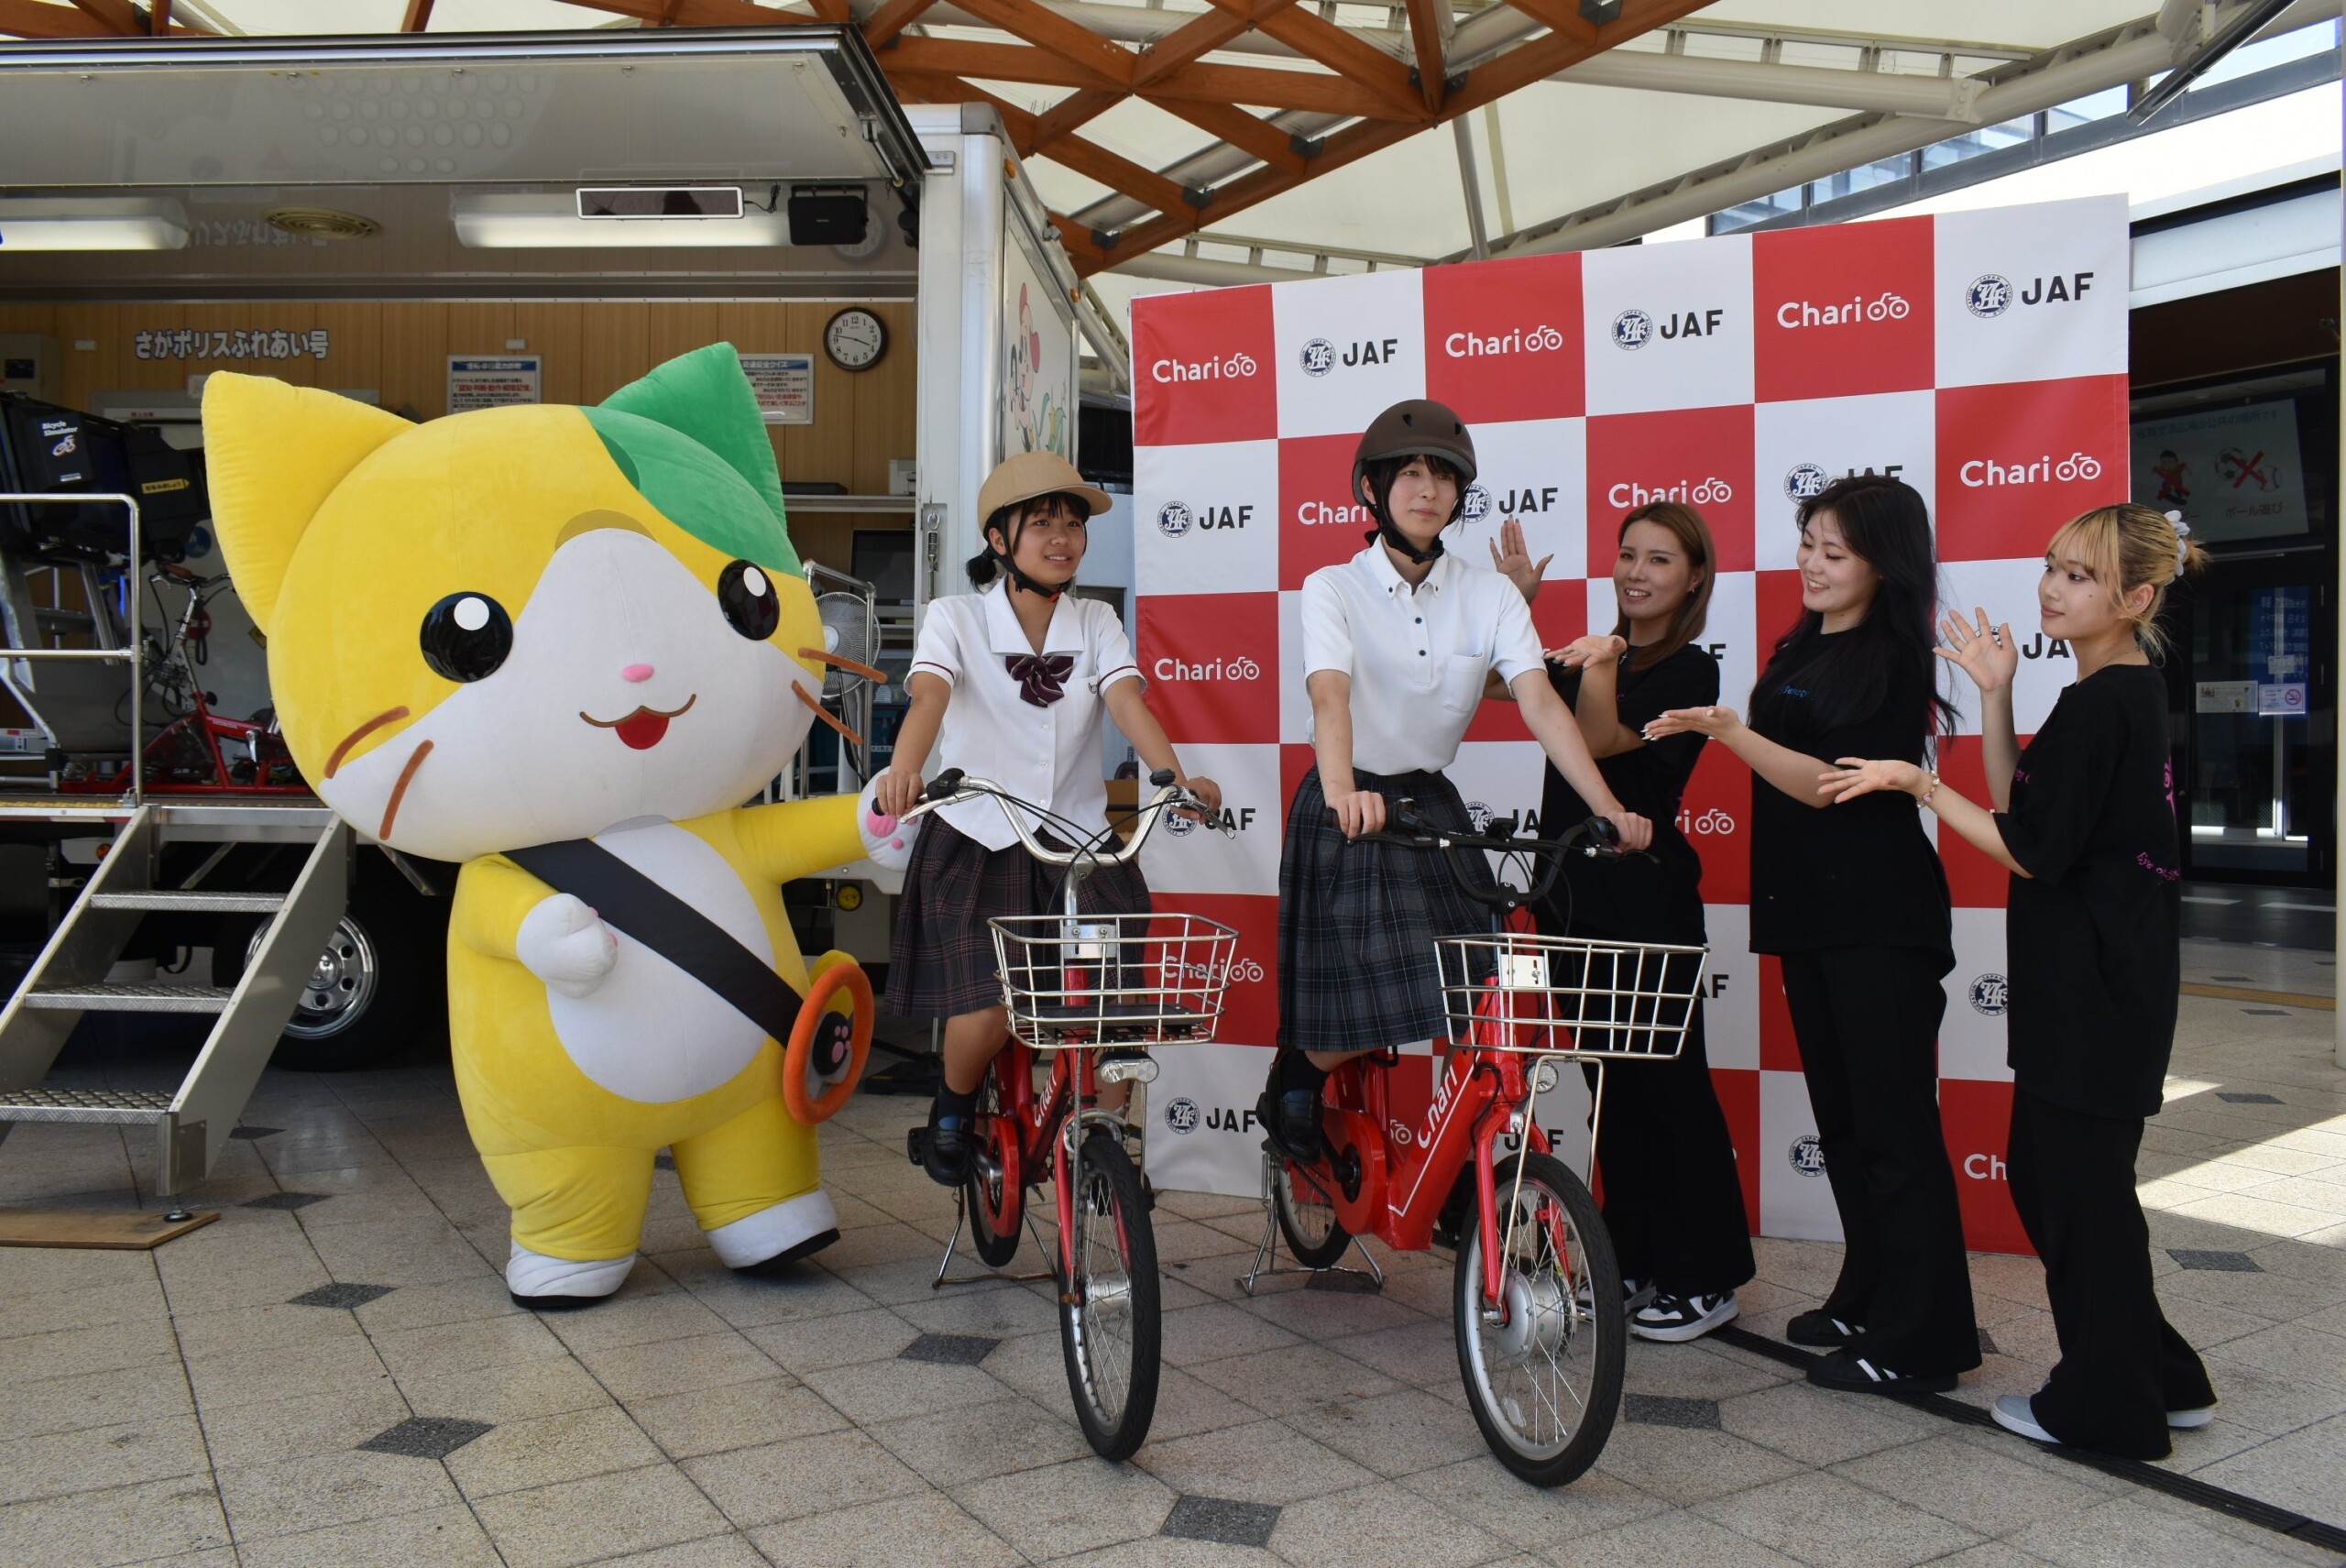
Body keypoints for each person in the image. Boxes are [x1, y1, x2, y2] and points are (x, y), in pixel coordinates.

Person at [1820, 503, 2217, 1456]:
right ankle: (2161, 1376)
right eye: (2051, 565)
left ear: (2135, 597)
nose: (2050, 585)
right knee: (2061, 1186)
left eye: (2079, 575)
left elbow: (2027, 852)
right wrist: (1995, 697)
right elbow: (2021, 810)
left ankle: (2109, 1407)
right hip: (2090, 986)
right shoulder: (2109, 692)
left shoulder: (2101, 701)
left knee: (2074, 1194)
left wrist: (1916, 783)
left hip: (2094, 993)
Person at [1646, 473, 1979, 1395]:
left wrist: (1726, 731)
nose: (1812, 563)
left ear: (1884, 562)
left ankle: (1927, 1336)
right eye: (1809, 543)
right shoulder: (1805, 640)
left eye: (1834, 551)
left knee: (1893, 1128)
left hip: (1878, 919)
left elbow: (1830, 783)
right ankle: (1868, 1291)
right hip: (1813, 916)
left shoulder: (1894, 657)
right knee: (1844, 1124)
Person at [1262, 399, 1650, 1156]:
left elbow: (1538, 698)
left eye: (1444, 476)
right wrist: (1341, 790)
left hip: (1427, 797)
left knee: (1479, 988)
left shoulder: (1491, 593)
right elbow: (1329, 695)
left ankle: (1459, 1169)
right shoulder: (1332, 586)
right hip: (1351, 796)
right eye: (1409, 473)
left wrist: (1609, 806)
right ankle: (1298, 1076)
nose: (1427, 490)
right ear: (1371, 490)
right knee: (1363, 1004)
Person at [875, 452, 1219, 1186]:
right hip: (979, 836)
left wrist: (1175, 779)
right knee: (994, 1005)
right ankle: (952, 1103)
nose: (1062, 537)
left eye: (1073, 523)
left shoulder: (1094, 620)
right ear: (1000, 539)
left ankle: (1104, 1145)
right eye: (1042, 524)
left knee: (1113, 1006)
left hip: (1077, 843)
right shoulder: (955, 617)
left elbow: (1128, 702)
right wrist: (907, 766)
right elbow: (930, 698)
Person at [1532, 502, 1755, 1343]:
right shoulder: (1591, 650)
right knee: (1611, 1089)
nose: (1636, 571)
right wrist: (1520, 604)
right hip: (1573, 902)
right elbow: (1501, 683)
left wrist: (1603, 660)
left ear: (1694, 577)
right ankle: (1631, 1260)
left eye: (1660, 559)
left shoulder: (1690, 670)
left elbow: (1596, 736)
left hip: (1647, 904)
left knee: (1671, 1085)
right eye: (1627, 553)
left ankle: (1708, 1276)